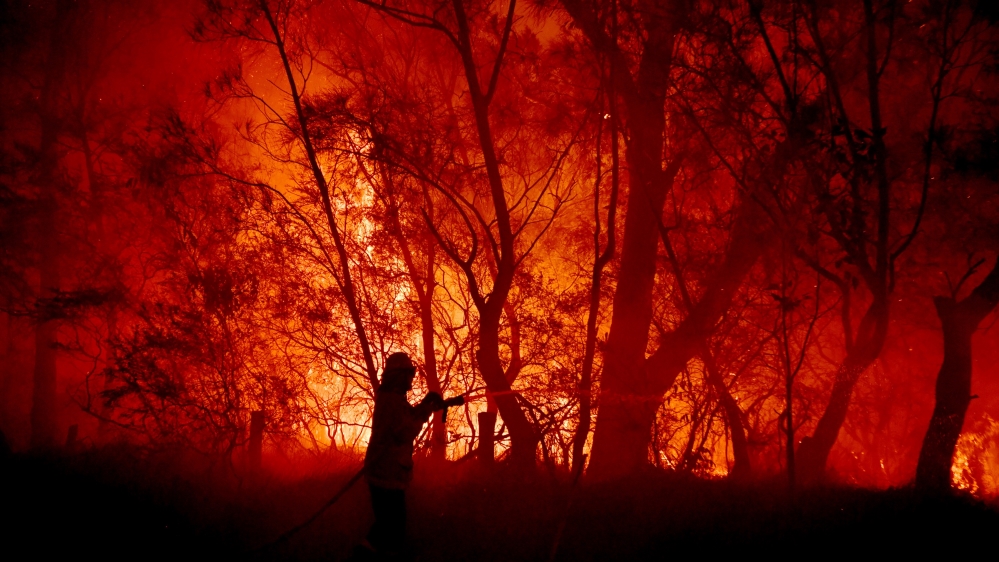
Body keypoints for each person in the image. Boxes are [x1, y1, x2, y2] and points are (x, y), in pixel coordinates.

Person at [362, 352, 444, 557]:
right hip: (386, 476)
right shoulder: (391, 400)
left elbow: (406, 417)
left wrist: (425, 404)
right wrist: (426, 411)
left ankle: (365, 554)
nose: (412, 378)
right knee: (392, 530)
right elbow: (404, 431)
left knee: (386, 527)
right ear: (399, 375)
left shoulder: (392, 397)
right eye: (409, 373)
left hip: (385, 473)